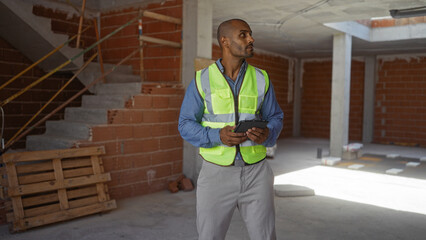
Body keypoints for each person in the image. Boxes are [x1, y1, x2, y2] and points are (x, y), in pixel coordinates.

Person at [178, 18, 283, 240]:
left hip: (257, 174)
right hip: (216, 174)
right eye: (243, 35)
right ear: (225, 41)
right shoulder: (201, 79)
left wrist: (268, 134)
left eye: (250, 34)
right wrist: (217, 136)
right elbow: (185, 124)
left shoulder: (261, 78)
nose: (251, 39)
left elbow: (275, 117)